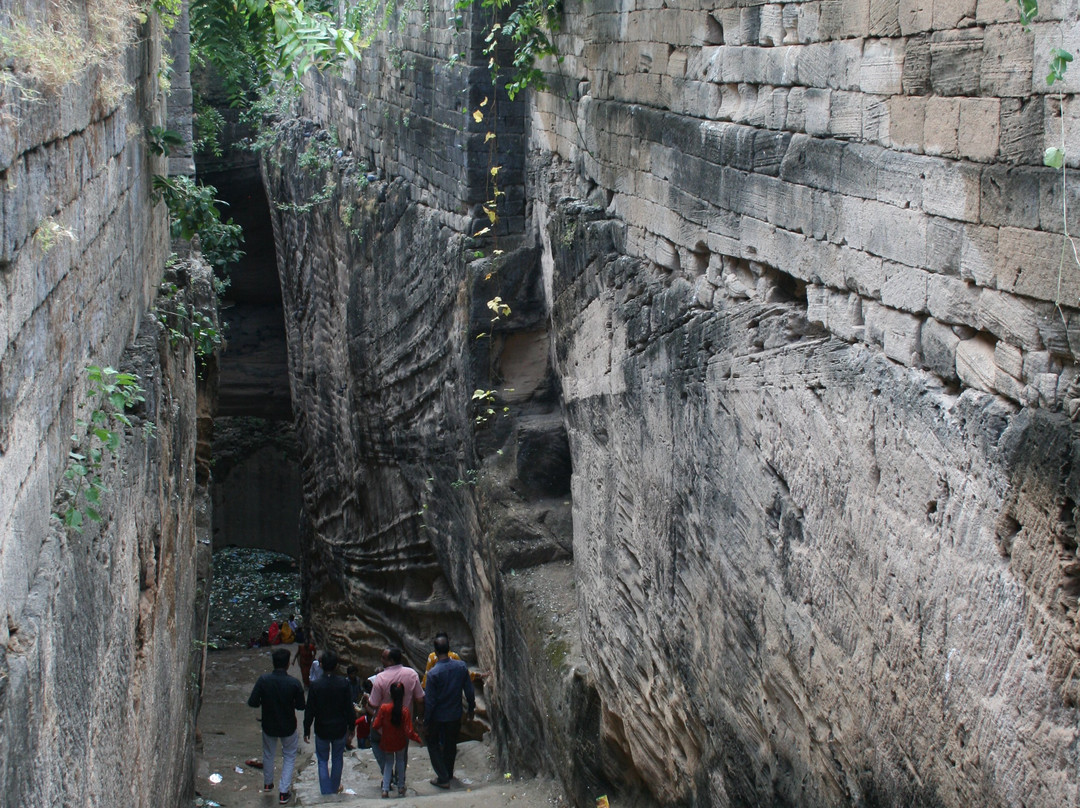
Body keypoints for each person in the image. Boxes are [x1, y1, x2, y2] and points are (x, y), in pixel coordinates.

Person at [247, 648, 306, 806]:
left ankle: (267, 783)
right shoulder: (294, 683)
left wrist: (264, 701)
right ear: (287, 664)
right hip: (288, 726)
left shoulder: (264, 680)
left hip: (269, 724)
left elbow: (252, 702)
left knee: (268, 753)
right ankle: (283, 792)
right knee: (289, 756)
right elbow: (301, 706)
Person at [424, 635, 475, 788]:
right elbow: (469, 690)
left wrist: (426, 721)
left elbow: (430, 701)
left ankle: (442, 777)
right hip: (454, 713)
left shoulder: (433, 674)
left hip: (438, 716)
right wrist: (471, 708)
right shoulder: (461, 667)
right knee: (450, 744)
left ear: (435, 651)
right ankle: (448, 772)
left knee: (432, 744)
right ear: (449, 648)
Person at [367, 648, 424, 779]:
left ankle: (387, 777)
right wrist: (420, 719)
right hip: (403, 723)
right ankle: (400, 781)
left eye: (383, 658)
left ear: (391, 661)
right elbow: (420, 699)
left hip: (384, 725)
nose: (381, 660)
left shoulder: (380, 678)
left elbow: (373, 704)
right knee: (402, 754)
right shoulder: (412, 674)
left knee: (376, 742)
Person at [303, 650, 355, 795]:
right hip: (339, 728)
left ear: (321, 665)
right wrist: (352, 726)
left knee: (322, 760)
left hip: (322, 728)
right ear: (336, 665)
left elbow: (310, 710)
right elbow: (348, 707)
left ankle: (326, 792)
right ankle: (333, 788)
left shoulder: (316, 685)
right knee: (338, 758)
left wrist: (306, 729)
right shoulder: (344, 684)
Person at [372, 682, 423, 797]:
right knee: (400, 761)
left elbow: (376, 725)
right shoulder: (404, 711)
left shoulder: (384, 708)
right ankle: (400, 787)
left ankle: (385, 789)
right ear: (403, 695)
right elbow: (409, 731)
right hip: (400, 741)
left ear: (390, 694)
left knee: (388, 763)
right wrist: (418, 739)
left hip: (387, 741)